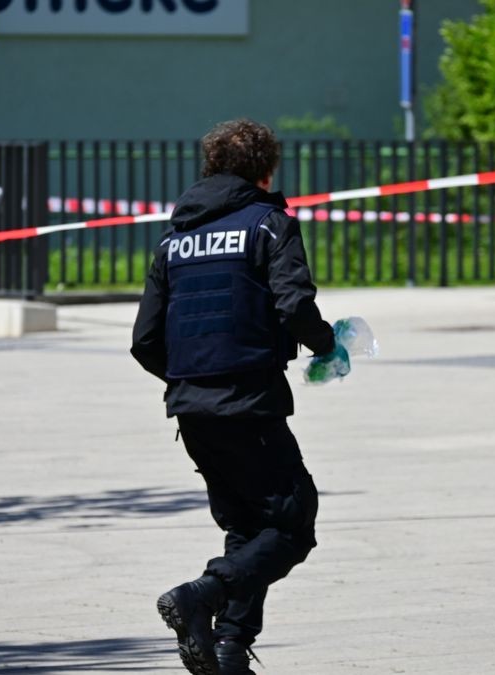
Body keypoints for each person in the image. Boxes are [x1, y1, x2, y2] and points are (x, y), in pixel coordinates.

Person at [130, 118, 339, 675]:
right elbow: (294, 306)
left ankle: (226, 651)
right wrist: (328, 345)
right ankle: (199, 596)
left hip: (191, 409)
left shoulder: (173, 241)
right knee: (294, 523)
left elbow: (144, 341)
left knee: (248, 530)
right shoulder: (270, 225)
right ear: (264, 171)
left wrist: (191, 380)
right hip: (249, 401)